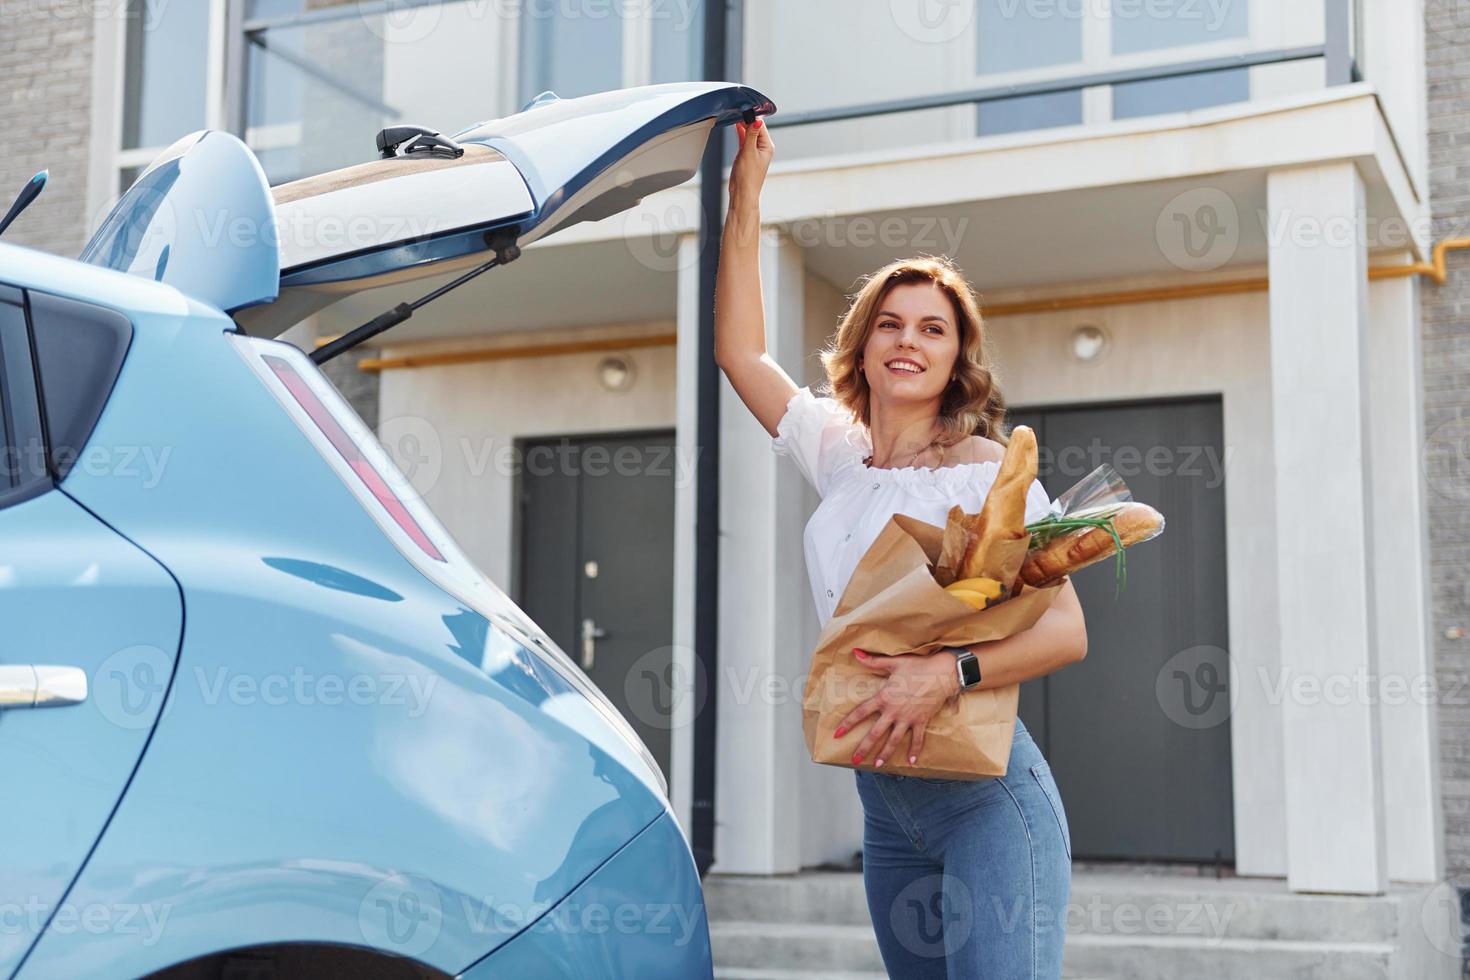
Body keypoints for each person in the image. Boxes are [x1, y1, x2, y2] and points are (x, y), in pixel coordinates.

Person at [713, 115, 1088, 979]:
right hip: (885, 806)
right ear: (864, 343)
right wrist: (746, 193)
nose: (908, 341)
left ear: (957, 358)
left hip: (988, 800)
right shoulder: (840, 455)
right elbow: (740, 352)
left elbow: (1066, 631)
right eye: (890, 323)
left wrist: (945, 671)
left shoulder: (986, 471)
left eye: (932, 328)